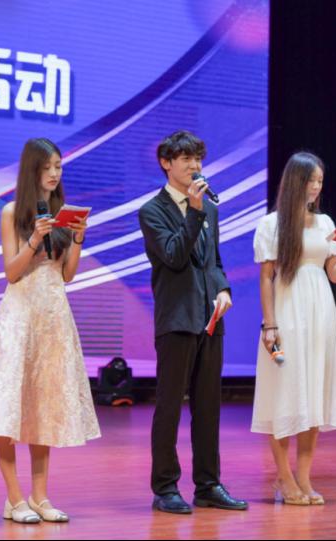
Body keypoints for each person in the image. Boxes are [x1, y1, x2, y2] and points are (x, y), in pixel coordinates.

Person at [0, 138, 100, 523]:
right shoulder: (11, 213)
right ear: (31, 169)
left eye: (58, 167)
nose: (54, 174)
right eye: (47, 167)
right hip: (19, 317)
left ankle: (40, 497)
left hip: (53, 319)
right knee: (7, 406)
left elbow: (67, 275)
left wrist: (78, 236)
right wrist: (35, 239)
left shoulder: (62, 214)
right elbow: (12, 272)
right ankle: (14, 498)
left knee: (43, 405)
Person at [138, 130, 248, 514]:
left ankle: (208, 484)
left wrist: (223, 289)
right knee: (169, 407)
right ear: (166, 163)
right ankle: (165, 488)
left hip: (209, 319)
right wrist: (194, 212)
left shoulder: (208, 210)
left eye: (198, 159)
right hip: (177, 319)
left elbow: (213, 261)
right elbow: (174, 256)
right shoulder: (153, 210)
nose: (195, 166)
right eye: (186, 159)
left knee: (208, 407)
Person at [250, 151, 336, 505]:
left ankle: (303, 478)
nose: (315, 187)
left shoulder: (325, 224)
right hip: (287, 313)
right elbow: (266, 278)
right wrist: (270, 324)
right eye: (310, 180)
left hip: (320, 314)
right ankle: (283, 477)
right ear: (295, 182)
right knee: (284, 392)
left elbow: (334, 275)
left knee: (313, 393)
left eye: (320, 181)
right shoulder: (272, 224)